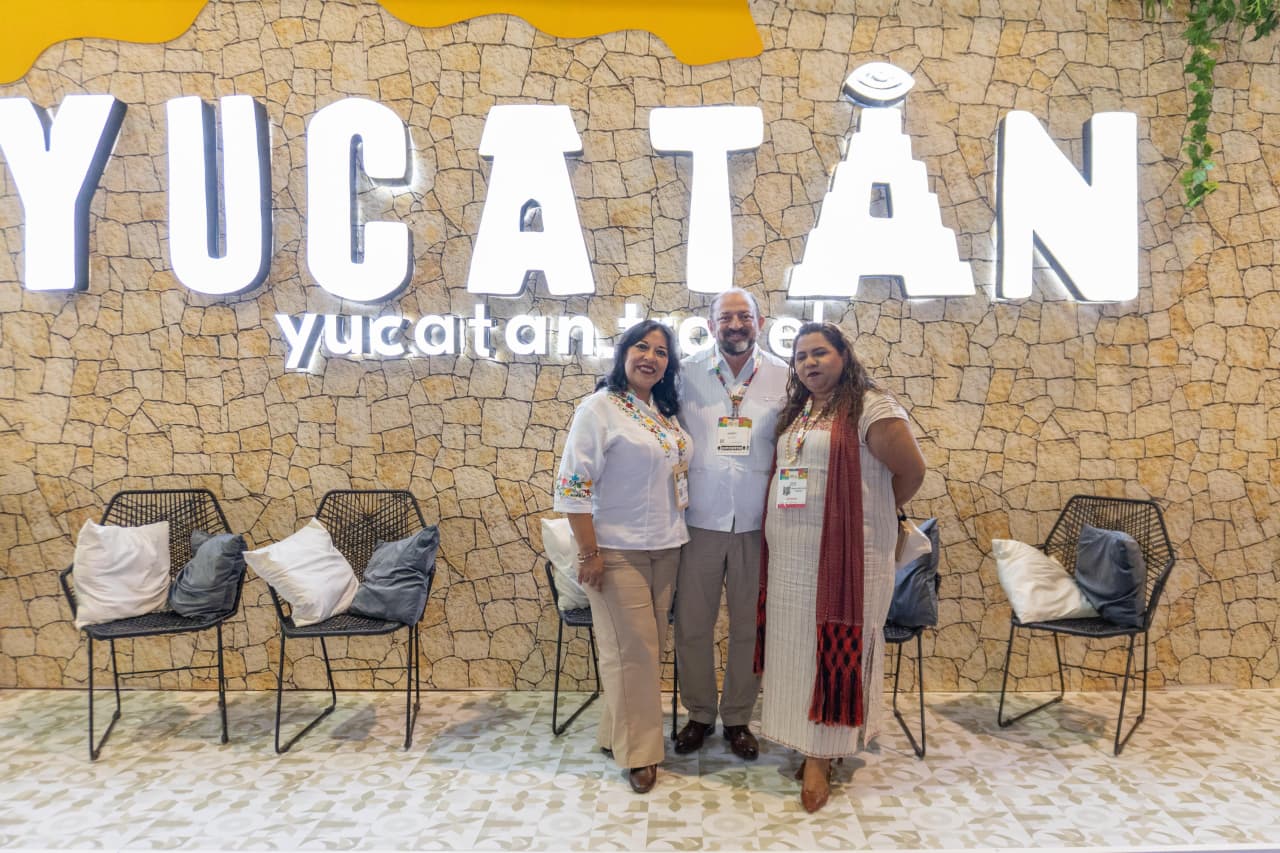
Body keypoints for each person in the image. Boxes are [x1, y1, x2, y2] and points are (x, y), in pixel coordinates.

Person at [755, 322, 925, 813]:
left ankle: (820, 757)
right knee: (797, 649)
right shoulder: (803, 409)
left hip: (849, 559)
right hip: (791, 558)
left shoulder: (872, 407)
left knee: (831, 646)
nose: (809, 363)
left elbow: (912, 472)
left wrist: (867, 515)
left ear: (843, 356)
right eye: (801, 356)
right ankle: (801, 736)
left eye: (820, 353)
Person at [553, 319, 691, 794]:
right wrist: (589, 552)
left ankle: (616, 733)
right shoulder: (598, 408)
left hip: (666, 547)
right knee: (632, 652)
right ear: (623, 353)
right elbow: (573, 487)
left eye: (660, 350)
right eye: (641, 346)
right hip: (615, 551)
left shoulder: (662, 411)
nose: (650, 356)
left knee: (638, 652)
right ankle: (641, 755)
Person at [673, 288, 787, 761]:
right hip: (698, 519)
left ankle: (738, 718)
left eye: (744, 317)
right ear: (711, 323)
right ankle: (699, 714)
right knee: (693, 625)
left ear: (759, 323)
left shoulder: (785, 374)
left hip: (759, 523)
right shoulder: (684, 373)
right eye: (726, 317)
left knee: (749, 627)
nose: (735, 325)